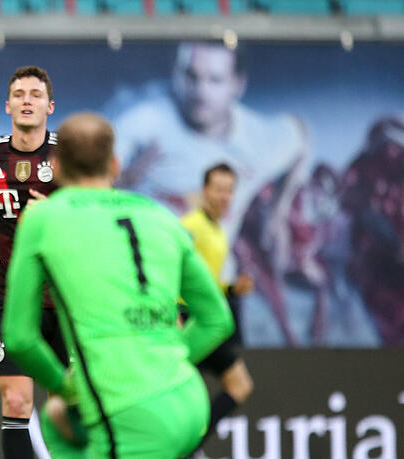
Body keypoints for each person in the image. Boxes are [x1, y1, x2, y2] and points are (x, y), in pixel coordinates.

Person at [3, 113, 234, 458]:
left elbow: (20, 338)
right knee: (57, 419)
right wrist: (168, 364)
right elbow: (218, 319)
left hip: (128, 412)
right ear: (114, 165)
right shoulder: (160, 215)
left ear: (56, 166)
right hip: (190, 398)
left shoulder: (42, 217)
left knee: (56, 417)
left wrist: (67, 389)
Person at [113, 41, 308, 345]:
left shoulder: (258, 139)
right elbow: (90, 174)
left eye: (215, 80)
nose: (200, 91)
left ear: (238, 84)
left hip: (213, 293)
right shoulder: (145, 122)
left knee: (229, 373)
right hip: (147, 295)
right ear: (176, 75)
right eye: (191, 76)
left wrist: (277, 214)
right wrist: (120, 182)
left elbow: (300, 136)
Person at [0, 65, 64, 458]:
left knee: (65, 406)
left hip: (66, 298)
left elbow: (94, 212)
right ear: (7, 105)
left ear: (50, 106)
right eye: (19, 94)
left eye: (36, 94)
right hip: (11, 297)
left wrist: (52, 214)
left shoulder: (68, 156)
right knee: (17, 402)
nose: (26, 101)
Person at [180, 163, 254, 444]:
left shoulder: (218, 231)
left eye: (229, 190)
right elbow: (169, 270)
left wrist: (231, 288)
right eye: (219, 189)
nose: (224, 196)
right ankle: (183, 446)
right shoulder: (190, 226)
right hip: (188, 322)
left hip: (207, 322)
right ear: (204, 191)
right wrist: (174, 314)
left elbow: (205, 283)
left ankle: (187, 445)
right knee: (189, 396)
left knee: (239, 386)